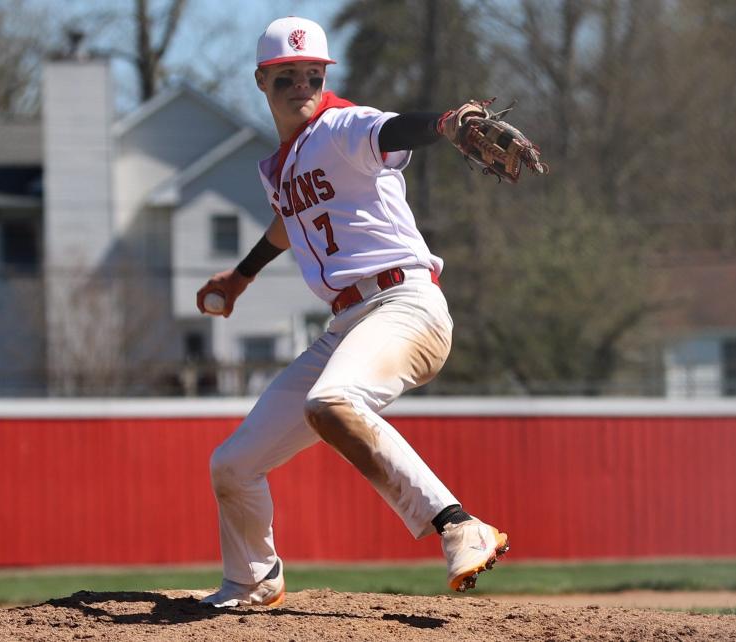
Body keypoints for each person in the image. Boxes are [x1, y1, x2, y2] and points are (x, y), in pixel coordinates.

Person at [195, 16, 508, 608]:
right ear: (262, 82)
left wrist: (445, 123)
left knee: (331, 404)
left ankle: (457, 524)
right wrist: (241, 276)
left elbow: (393, 129)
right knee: (233, 465)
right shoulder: (282, 166)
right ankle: (253, 579)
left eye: (312, 74)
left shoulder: (341, 125)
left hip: (405, 304)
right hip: (347, 324)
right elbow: (290, 222)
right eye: (286, 77)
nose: (301, 86)